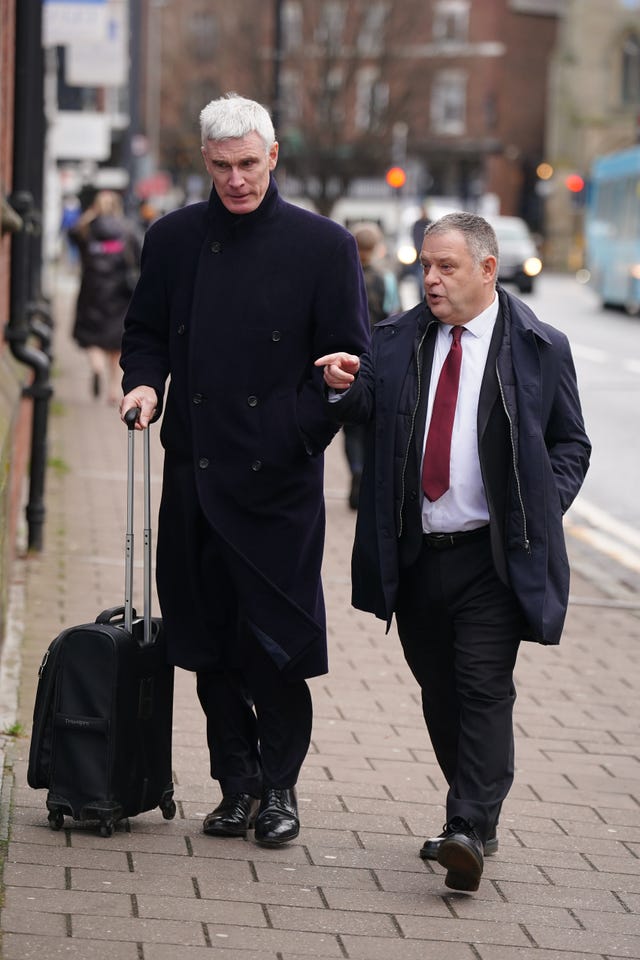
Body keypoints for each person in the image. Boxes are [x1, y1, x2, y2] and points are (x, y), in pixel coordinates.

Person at [119, 93, 370, 847]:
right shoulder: (171, 238)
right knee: (206, 640)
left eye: (250, 165)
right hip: (195, 472)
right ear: (205, 161)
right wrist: (141, 381)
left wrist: (303, 418)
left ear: (273, 158)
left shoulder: (323, 246)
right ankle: (237, 786)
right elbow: (146, 331)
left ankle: (282, 788)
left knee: (275, 644)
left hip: (277, 483)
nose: (237, 180)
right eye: (223, 167)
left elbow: (352, 362)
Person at [315, 212, 590, 892]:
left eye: (446, 267)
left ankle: (466, 825)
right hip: (416, 553)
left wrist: (539, 507)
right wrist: (342, 386)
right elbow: (364, 409)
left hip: (492, 559)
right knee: (440, 691)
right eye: (425, 266)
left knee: (483, 687)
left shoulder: (538, 345)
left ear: (488, 270)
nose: (430, 280)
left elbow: (570, 444)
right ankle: (476, 817)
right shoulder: (398, 337)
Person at [70, 190, 142, 404]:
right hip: (120, 293)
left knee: (91, 337)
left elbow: (72, 236)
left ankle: (96, 366)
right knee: (117, 343)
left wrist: (89, 216)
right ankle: (113, 389)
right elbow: (140, 256)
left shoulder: (86, 229)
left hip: (91, 291)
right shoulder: (127, 230)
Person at [342, 221, 394, 509]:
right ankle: (368, 477)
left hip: (349, 359)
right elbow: (394, 315)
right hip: (378, 357)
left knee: (351, 427)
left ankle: (356, 469)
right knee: (371, 424)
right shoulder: (384, 279)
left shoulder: (344, 276)